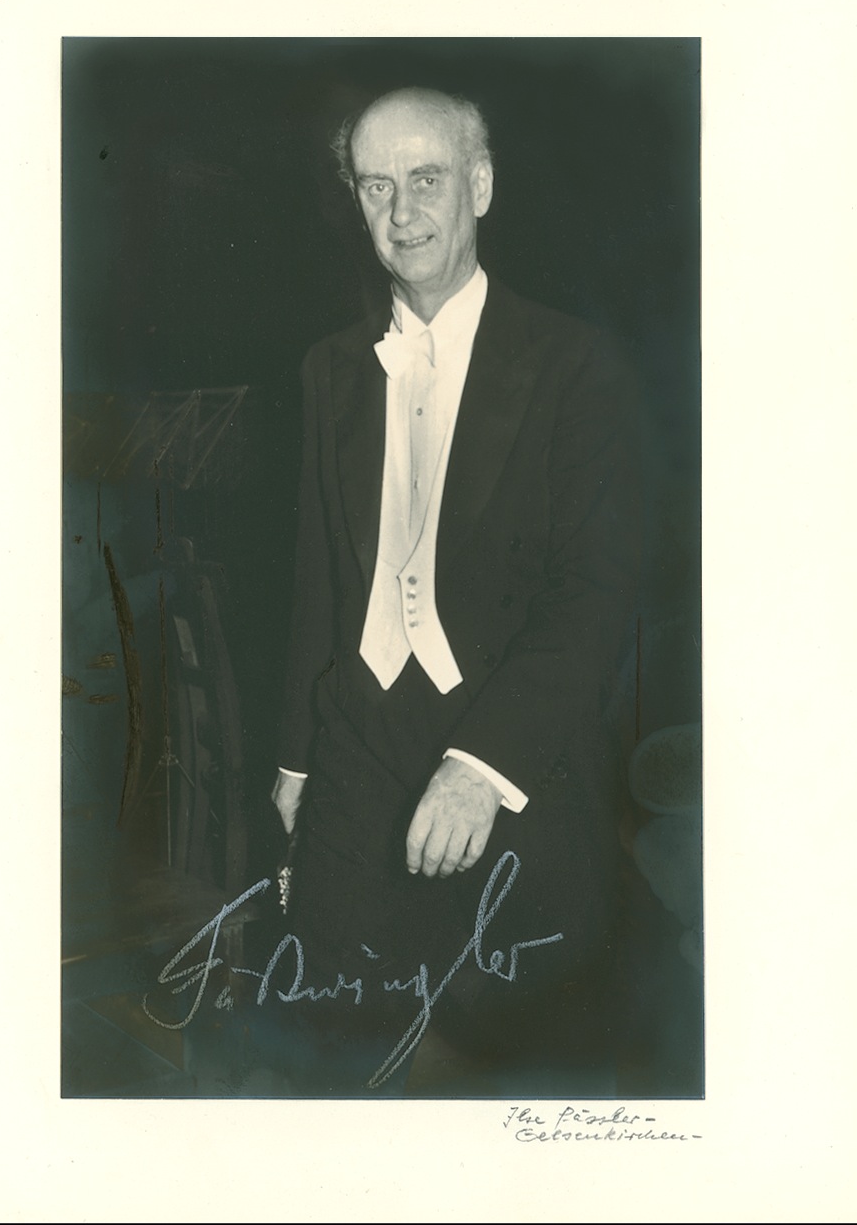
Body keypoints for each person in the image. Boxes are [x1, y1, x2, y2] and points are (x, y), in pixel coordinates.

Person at [269, 86, 640, 1094]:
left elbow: (595, 591)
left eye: (425, 178)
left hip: (509, 756)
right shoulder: (329, 370)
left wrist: (481, 767)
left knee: (519, 1075)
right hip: (354, 746)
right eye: (374, 185)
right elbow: (318, 580)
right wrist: (296, 760)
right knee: (332, 1050)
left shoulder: (576, 365)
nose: (401, 211)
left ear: (479, 184)